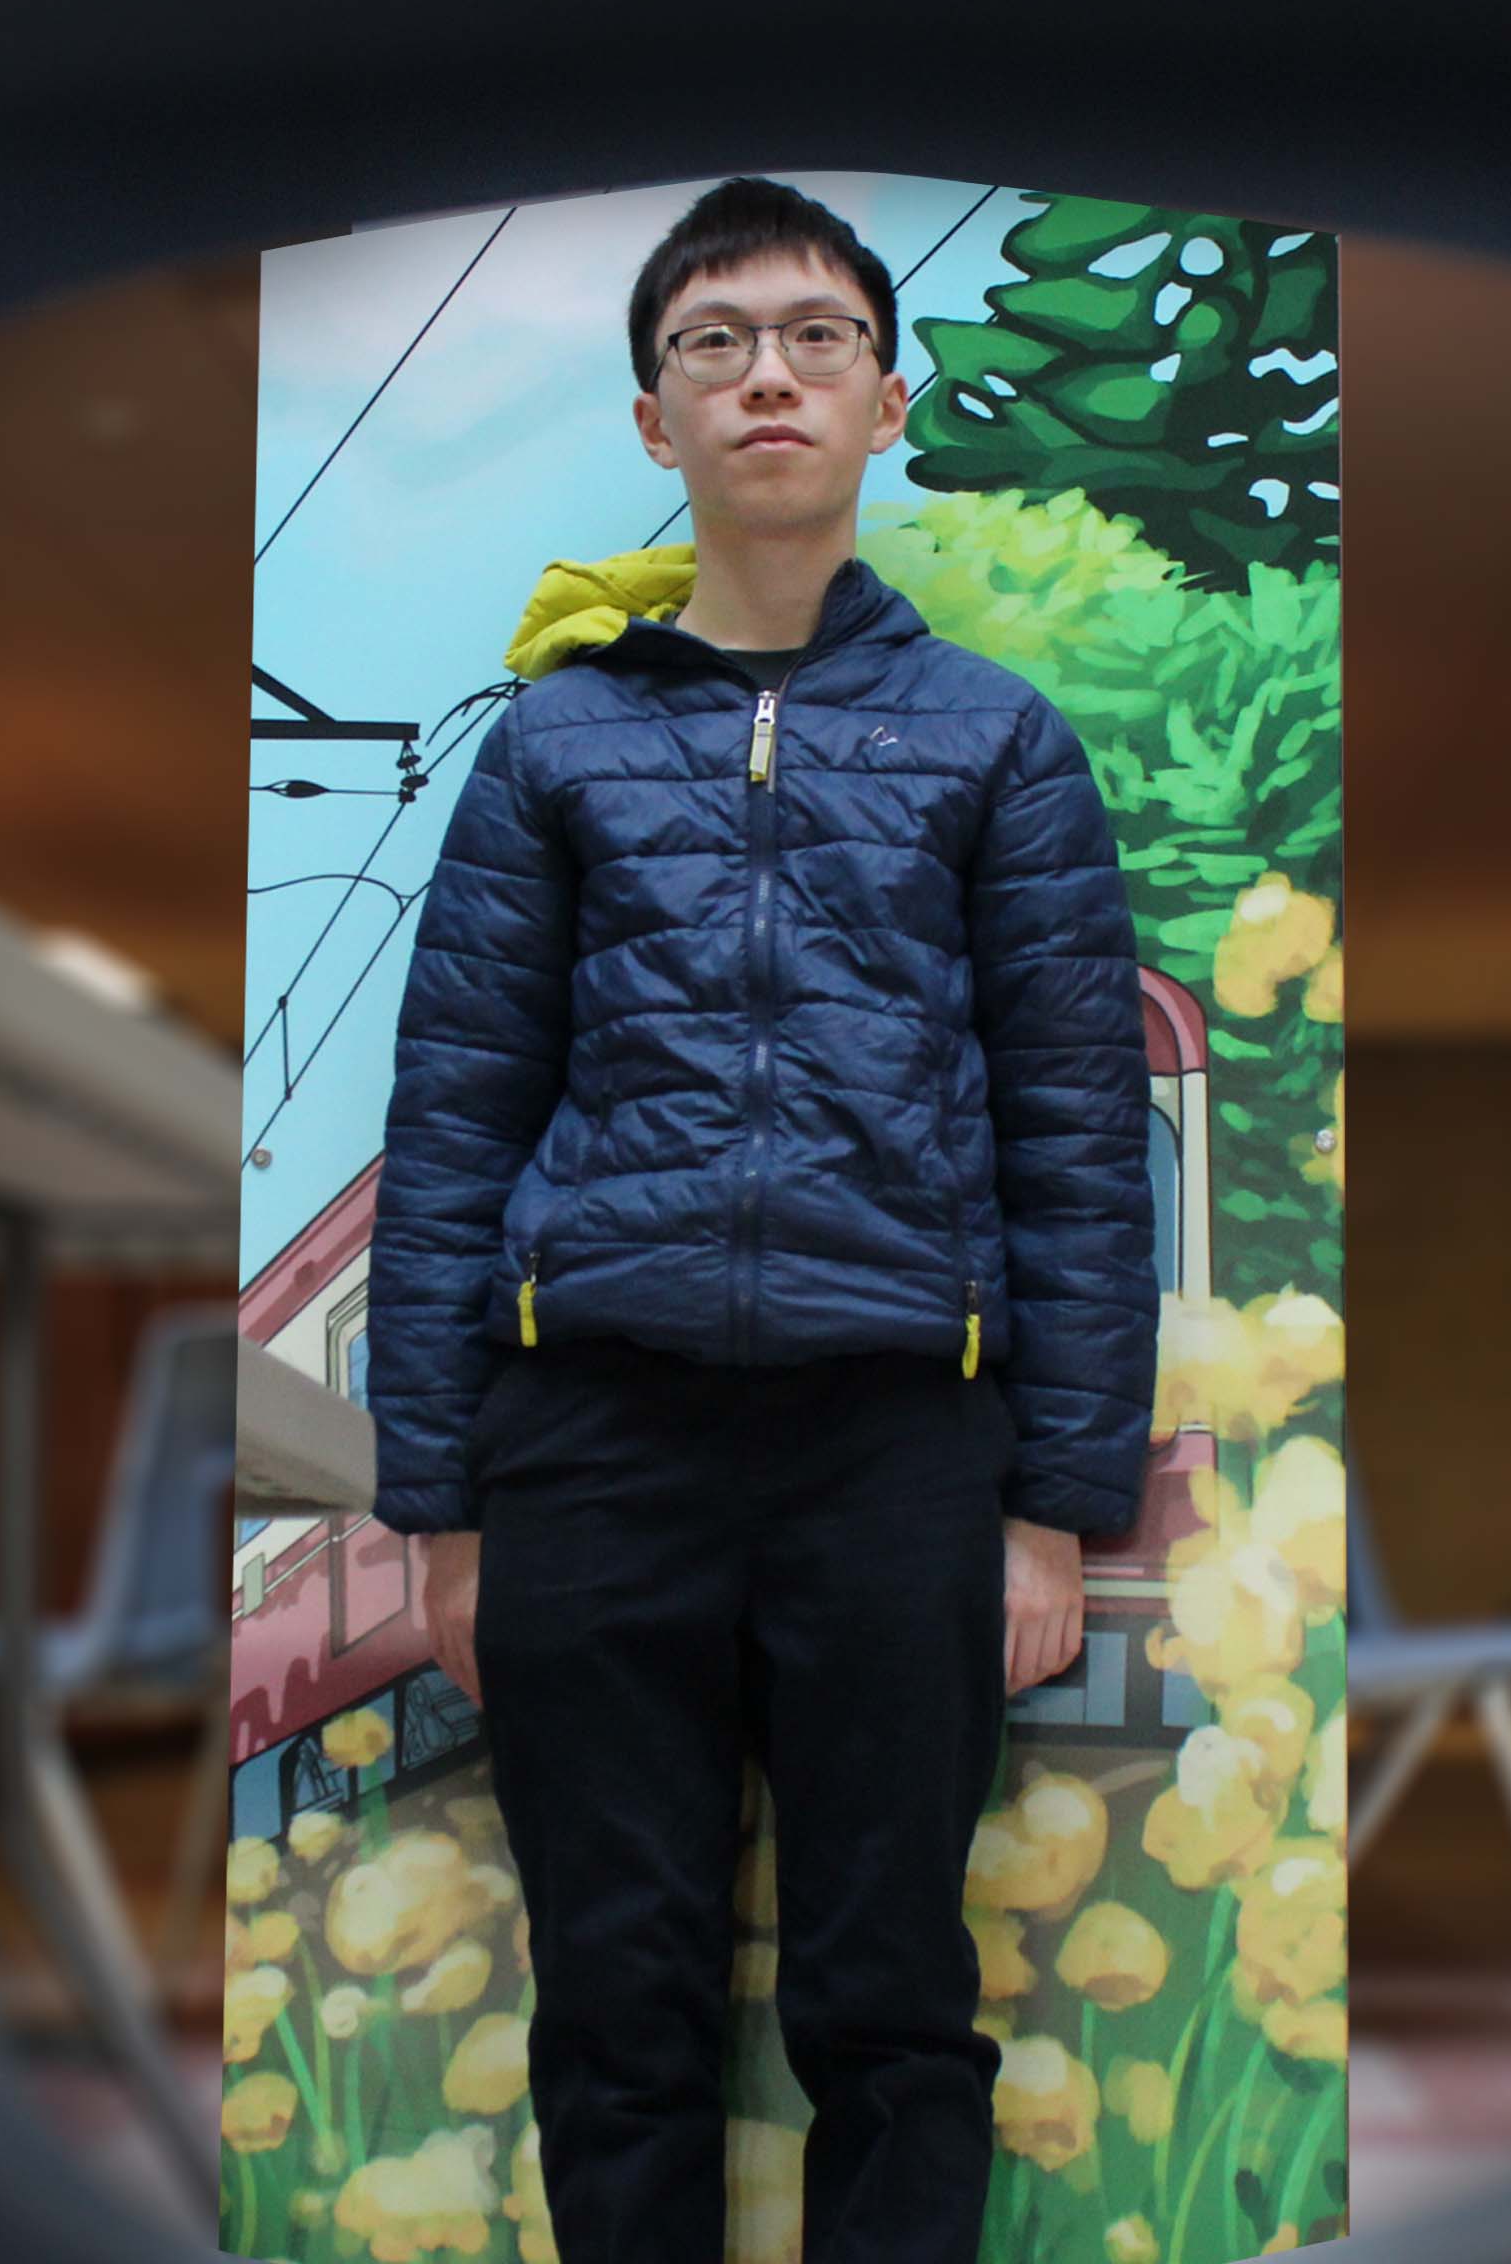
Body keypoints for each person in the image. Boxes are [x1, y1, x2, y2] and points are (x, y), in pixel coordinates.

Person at [363, 176, 1157, 2264]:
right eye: (715, 344)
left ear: (886, 399)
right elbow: (455, 1126)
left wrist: (1056, 1500)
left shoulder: (1000, 744)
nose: (767, 375)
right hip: (591, 1453)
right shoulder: (554, 746)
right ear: (656, 421)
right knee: (613, 2006)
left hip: (902, 1449)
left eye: (813, 337)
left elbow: (1078, 1143)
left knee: (892, 2008)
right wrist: (439, 1502)